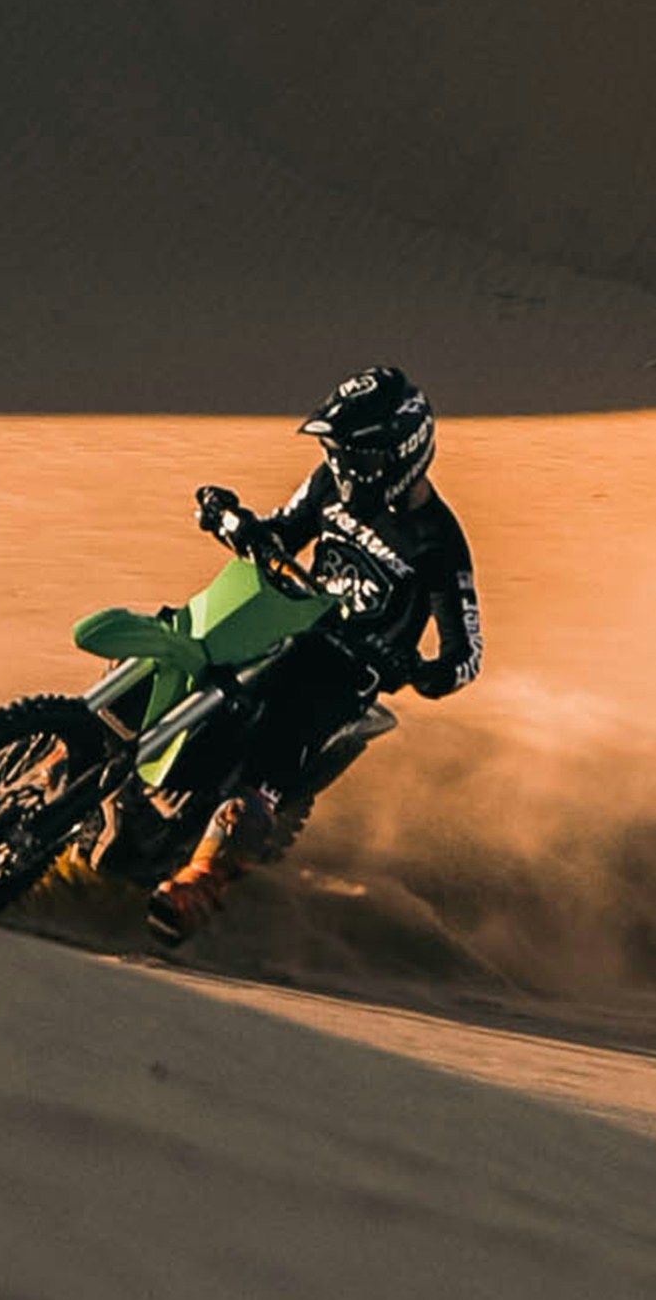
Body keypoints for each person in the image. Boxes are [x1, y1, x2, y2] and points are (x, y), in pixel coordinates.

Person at [145, 366, 479, 939]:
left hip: (343, 675)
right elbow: (282, 531)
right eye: (337, 452)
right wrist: (232, 520)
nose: (345, 467)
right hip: (286, 624)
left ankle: (199, 883)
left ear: (400, 455)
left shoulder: (437, 543)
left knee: (271, 762)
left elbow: (465, 654)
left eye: (358, 456)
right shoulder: (329, 482)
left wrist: (419, 670)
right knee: (177, 649)